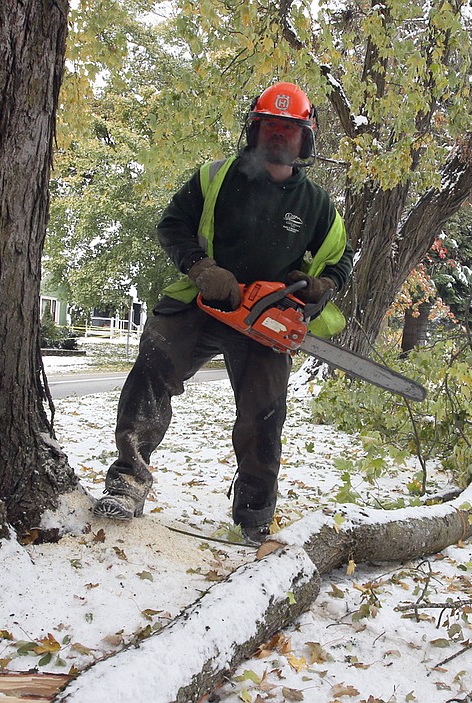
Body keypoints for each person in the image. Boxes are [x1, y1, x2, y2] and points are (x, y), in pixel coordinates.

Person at [92, 81, 355, 545]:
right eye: (271, 127)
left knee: (265, 413)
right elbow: (173, 224)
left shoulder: (316, 204)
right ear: (255, 130)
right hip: (206, 302)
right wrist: (201, 267)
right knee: (154, 363)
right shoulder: (214, 177)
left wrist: (324, 284)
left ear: (304, 139)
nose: (279, 136)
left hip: (266, 319)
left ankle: (254, 516)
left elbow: (340, 259)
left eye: (288, 130)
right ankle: (128, 479)